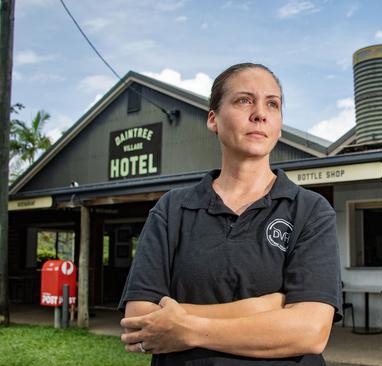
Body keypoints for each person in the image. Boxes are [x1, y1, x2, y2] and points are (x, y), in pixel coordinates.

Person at [118, 63, 342, 365]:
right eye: (244, 100)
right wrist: (263, 307)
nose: (260, 113)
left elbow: (310, 331)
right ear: (213, 119)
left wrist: (186, 327)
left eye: (272, 104)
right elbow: (140, 319)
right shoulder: (172, 209)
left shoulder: (310, 210)